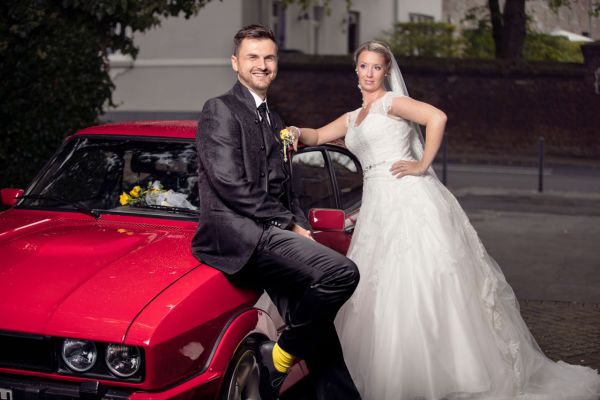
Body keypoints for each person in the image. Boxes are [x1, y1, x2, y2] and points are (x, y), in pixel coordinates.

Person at [292, 40, 600, 400]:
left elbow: (437, 117)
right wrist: (296, 132)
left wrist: (421, 164)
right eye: (364, 66)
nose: (370, 73)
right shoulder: (352, 118)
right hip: (376, 208)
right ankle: (392, 373)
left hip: (408, 198)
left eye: (377, 67)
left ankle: (448, 373)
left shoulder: (393, 103)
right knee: (381, 285)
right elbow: (317, 135)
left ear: (386, 71)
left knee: (422, 278)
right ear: (356, 70)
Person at [191, 24, 362, 400]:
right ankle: (278, 357)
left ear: (277, 63)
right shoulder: (220, 109)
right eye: (252, 57)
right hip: (239, 235)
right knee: (342, 273)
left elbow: (286, 189)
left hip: (270, 234)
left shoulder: (275, 119)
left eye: (269, 57)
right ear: (235, 62)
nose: (262, 65)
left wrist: (300, 223)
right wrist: (289, 226)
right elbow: (228, 183)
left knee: (318, 330)